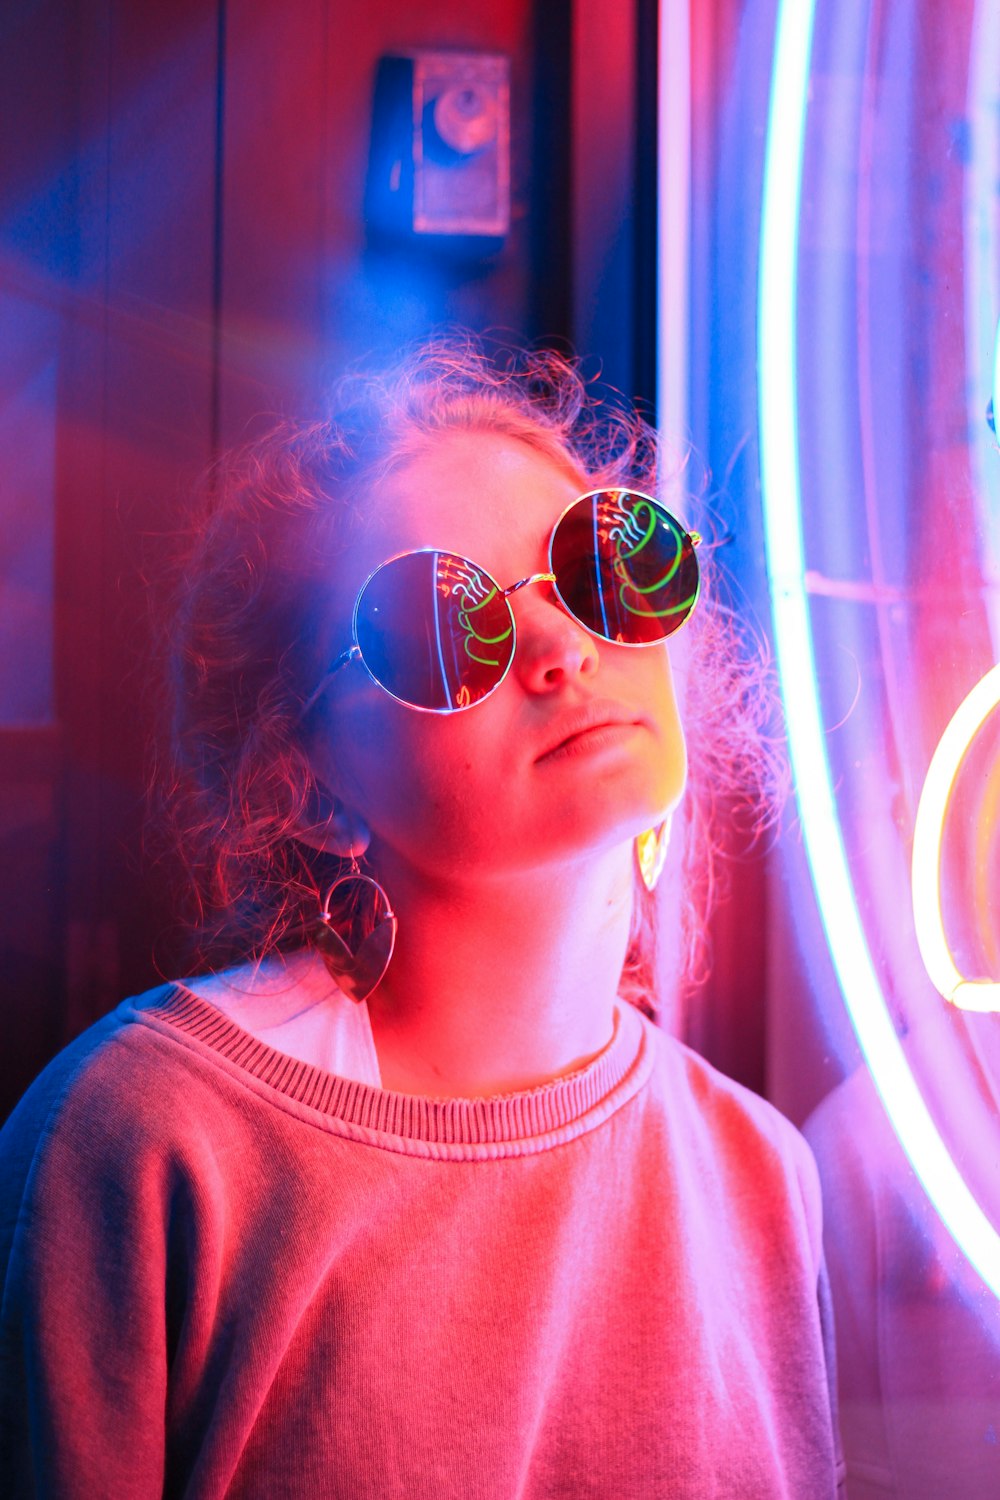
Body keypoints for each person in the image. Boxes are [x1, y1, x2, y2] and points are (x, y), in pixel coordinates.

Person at [0, 337, 845, 1497]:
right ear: (311, 781)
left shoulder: (763, 1176)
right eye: (447, 629)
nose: (561, 648)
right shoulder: (145, 1144)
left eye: (598, 567)